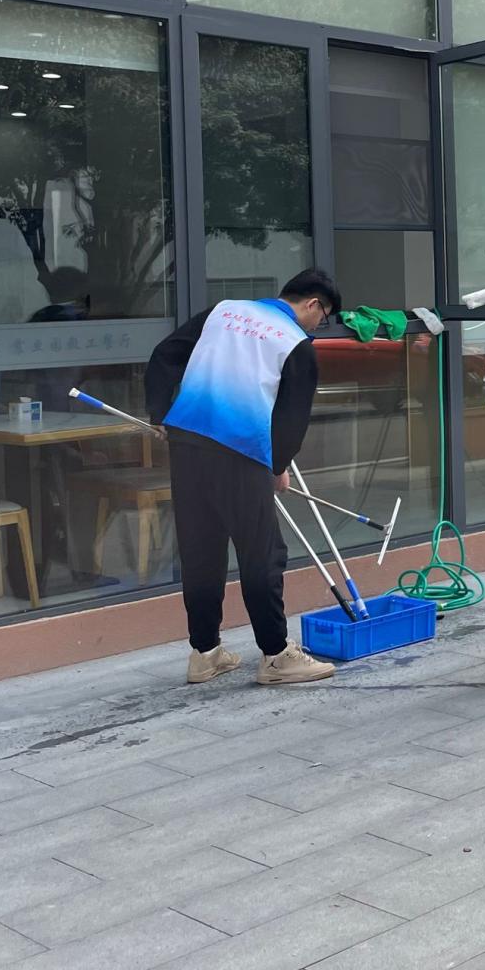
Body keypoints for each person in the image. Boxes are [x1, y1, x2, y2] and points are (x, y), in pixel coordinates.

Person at [144, 269, 341, 686]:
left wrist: (159, 413)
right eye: (321, 319)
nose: (317, 327)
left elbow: (164, 355)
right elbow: (292, 419)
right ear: (313, 304)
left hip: (186, 441)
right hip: (239, 448)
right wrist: (278, 467)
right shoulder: (295, 343)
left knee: (201, 549)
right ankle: (276, 655)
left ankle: (205, 652)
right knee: (262, 554)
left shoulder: (223, 311)